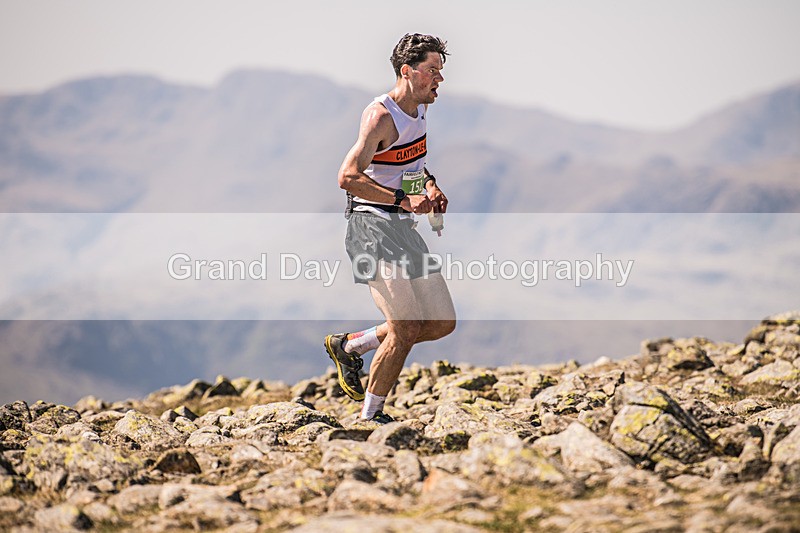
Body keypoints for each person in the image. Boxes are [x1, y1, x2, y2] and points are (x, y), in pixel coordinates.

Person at [324, 33, 456, 424]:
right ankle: (370, 417)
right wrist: (403, 200)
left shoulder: (420, 110)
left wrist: (428, 187)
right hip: (369, 228)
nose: (439, 79)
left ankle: (352, 345)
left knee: (440, 322)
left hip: (402, 229)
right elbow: (348, 177)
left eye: (441, 71)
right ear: (407, 71)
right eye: (432, 70)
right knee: (404, 325)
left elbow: (409, 169)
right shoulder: (380, 115)